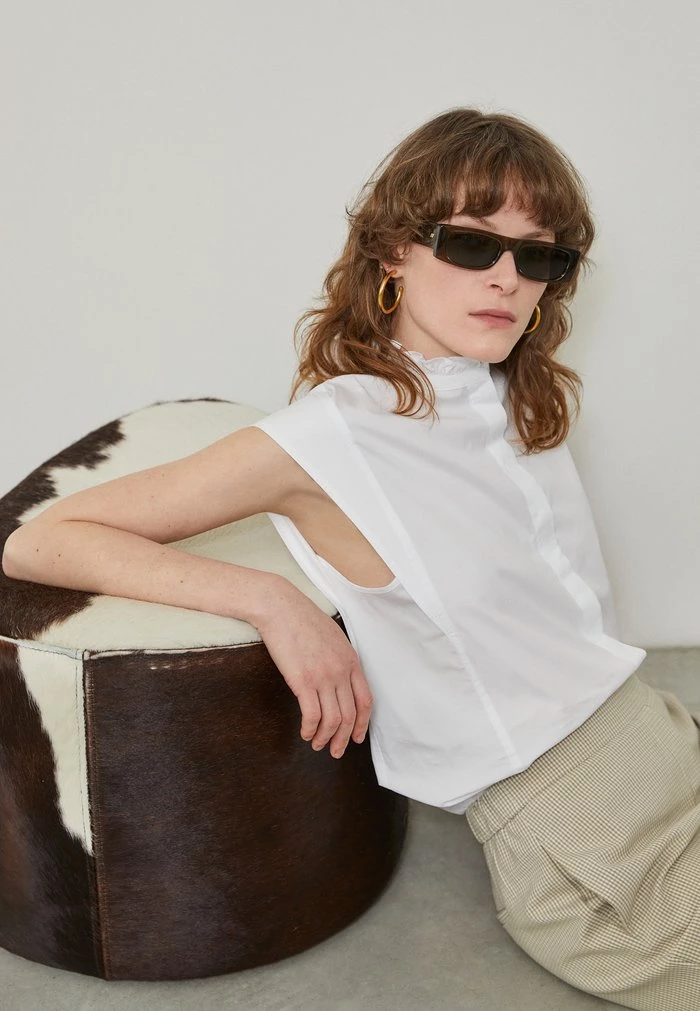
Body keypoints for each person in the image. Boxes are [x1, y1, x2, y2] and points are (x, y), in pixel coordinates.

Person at [3, 107, 699, 1009]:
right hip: (586, 839)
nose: (508, 278)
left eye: (540, 256)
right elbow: (40, 540)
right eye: (471, 243)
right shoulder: (334, 434)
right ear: (395, 251)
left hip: (663, 736)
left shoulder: (513, 394)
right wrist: (269, 599)